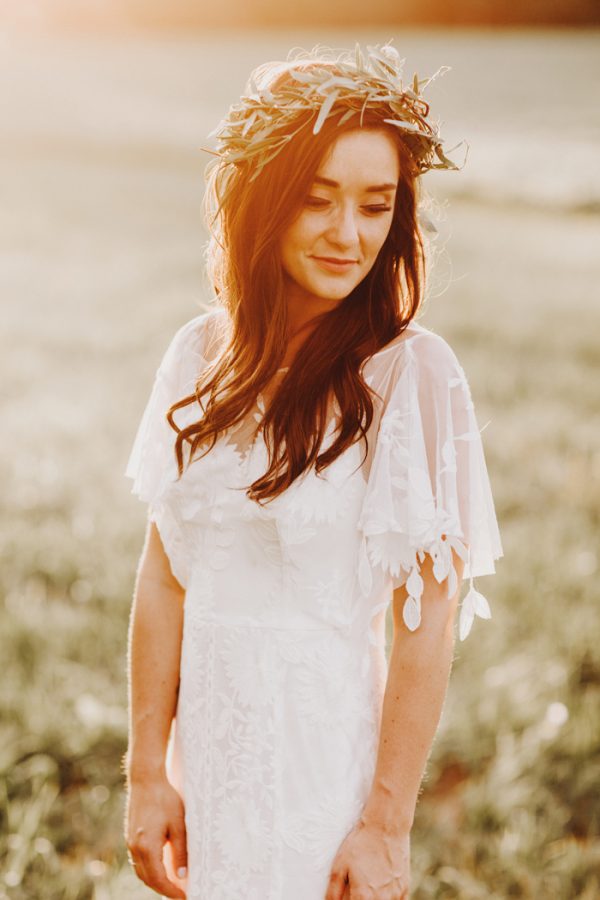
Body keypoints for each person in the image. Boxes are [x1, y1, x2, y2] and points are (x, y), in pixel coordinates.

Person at [123, 42, 503, 900]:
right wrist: (148, 770)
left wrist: (383, 824)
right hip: (209, 766)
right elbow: (165, 575)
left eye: (375, 207)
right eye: (318, 200)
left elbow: (427, 624)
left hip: (324, 777)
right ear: (261, 204)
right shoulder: (196, 358)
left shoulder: (413, 374)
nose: (349, 235)